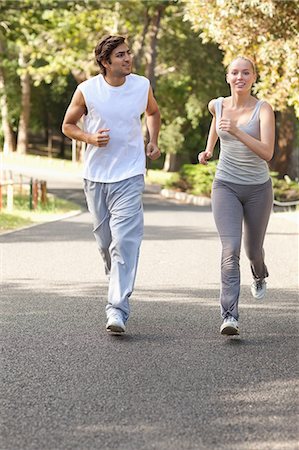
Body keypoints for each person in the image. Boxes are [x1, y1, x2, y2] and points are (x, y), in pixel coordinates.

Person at [62, 35, 161, 335]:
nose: (128, 58)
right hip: (96, 176)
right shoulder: (87, 90)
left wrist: (153, 141)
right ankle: (115, 273)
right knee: (105, 241)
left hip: (130, 174)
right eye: (120, 55)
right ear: (105, 62)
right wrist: (91, 139)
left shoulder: (141, 85)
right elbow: (67, 125)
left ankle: (116, 307)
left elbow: (153, 113)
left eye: (128, 53)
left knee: (125, 242)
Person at [198, 56, 275, 336]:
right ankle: (229, 316)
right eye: (234, 72)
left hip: (258, 189)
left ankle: (259, 273)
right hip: (225, 186)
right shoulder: (216, 105)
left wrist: (239, 132)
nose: (240, 77)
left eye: (246, 72)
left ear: (253, 77)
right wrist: (209, 149)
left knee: (253, 250)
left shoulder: (263, 110)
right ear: (227, 77)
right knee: (230, 249)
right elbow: (217, 123)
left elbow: (268, 152)